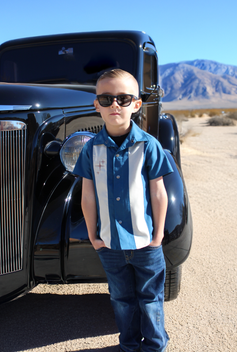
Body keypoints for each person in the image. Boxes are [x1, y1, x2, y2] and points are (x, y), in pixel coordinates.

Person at [73, 69, 173, 352]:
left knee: (150, 297)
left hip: (146, 243)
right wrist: (93, 235)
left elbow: (157, 192)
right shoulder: (91, 150)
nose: (114, 104)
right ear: (96, 104)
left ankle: (155, 345)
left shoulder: (149, 145)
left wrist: (159, 235)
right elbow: (88, 196)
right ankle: (129, 345)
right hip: (110, 245)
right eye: (106, 99)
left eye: (123, 98)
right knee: (120, 299)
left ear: (136, 104)